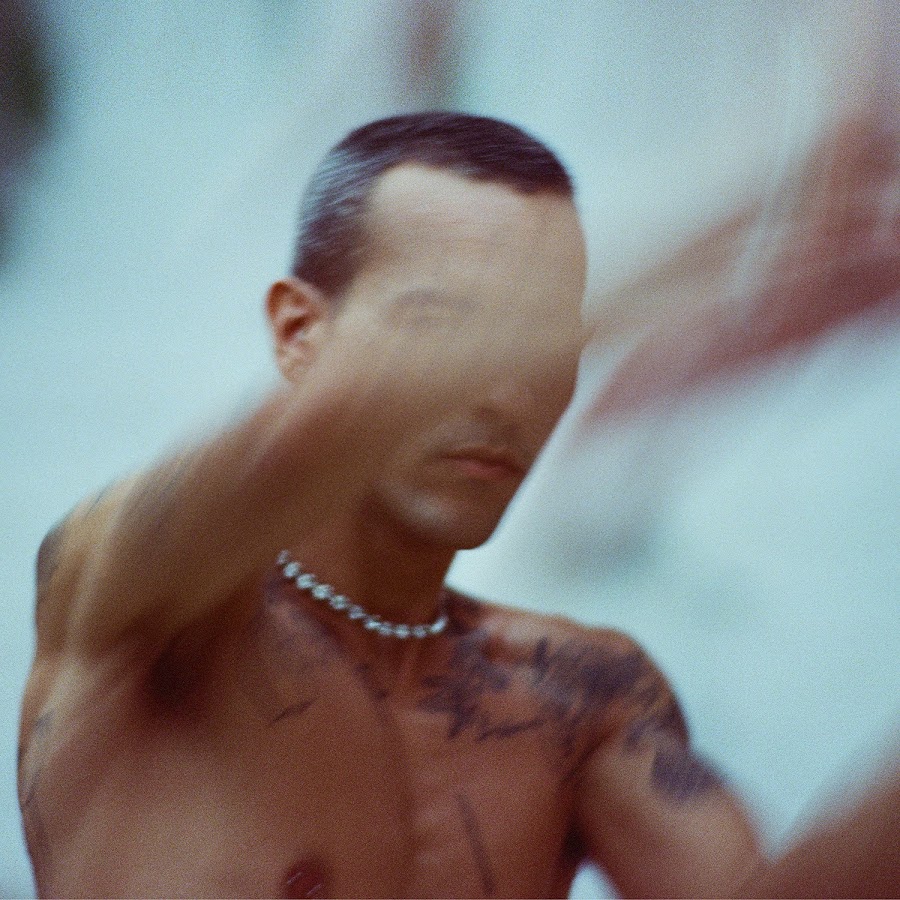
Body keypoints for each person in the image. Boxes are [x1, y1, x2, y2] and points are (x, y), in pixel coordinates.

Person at [16, 113, 897, 899]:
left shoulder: (580, 696)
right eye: (445, 323)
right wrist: (635, 291)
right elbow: (274, 457)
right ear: (297, 332)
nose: (506, 393)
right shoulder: (139, 603)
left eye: (546, 338)